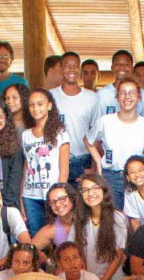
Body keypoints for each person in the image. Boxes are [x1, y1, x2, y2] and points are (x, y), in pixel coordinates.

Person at [87, 79, 144, 208]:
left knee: (134, 221)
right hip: (111, 178)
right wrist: (98, 162)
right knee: (112, 220)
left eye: (132, 93)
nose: (127, 97)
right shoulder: (105, 121)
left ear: (139, 97)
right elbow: (88, 140)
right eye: (123, 93)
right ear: (117, 97)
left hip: (136, 179)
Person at [74, 173, 127, 280]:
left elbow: (118, 257)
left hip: (110, 279)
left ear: (104, 190)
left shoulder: (117, 218)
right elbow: (77, 252)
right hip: (86, 277)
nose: (90, 193)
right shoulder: (79, 218)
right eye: (85, 190)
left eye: (95, 188)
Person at [21, 89, 70, 235]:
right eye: (31, 105)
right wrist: (21, 197)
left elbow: (64, 169)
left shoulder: (60, 133)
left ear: (49, 105)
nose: (35, 108)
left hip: (53, 196)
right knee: (36, 236)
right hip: (31, 195)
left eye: (40, 104)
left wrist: (59, 196)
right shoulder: (26, 135)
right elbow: (26, 167)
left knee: (57, 235)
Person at [50, 51, 97, 184]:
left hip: (83, 160)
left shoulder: (92, 98)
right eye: (67, 66)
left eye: (75, 66)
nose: (71, 69)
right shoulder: (50, 96)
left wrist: (93, 166)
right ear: (61, 68)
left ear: (79, 69)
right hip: (56, 160)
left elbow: (96, 134)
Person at [91, 50, 144, 122]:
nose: (122, 67)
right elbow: (97, 124)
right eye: (118, 64)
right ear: (112, 68)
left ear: (132, 68)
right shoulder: (102, 94)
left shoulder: (143, 94)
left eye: (126, 64)